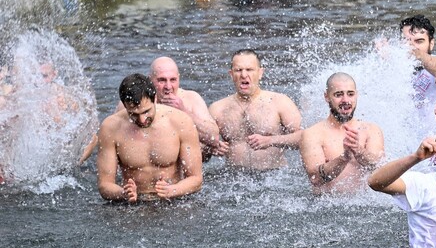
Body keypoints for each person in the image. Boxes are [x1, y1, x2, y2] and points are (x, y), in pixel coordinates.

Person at [96, 74, 203, 202]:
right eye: (134, 114)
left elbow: (196, 179)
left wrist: (172, 190)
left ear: (155, 99)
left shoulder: (181, 122)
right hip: (134, 204)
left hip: (174, 202)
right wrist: (123, 193)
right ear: (125, 105)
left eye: (146, 111)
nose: (142, 120)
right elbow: (105, 185)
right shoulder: (111, 128)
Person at [209, 49, 302, 170]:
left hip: (274, 177)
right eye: (238, 70)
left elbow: (303, 138)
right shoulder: (217, 108)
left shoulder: (280, 102)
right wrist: (211, 148)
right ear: (231, 74)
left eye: (249, 69)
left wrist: (271, 140)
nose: (243, 75)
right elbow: (196, 146)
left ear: (260, 73)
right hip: (234, 179)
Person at [300, 72, 385, 193]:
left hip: (365, 205)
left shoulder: (371, 130)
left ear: (356, 95)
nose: (345, 100)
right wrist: (344, 158)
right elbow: (315, 179)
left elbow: (380, 169)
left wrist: (359, 151)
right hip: (327, 207)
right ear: (326, 96)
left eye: (350, 94)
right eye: (338, 95)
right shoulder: (312, 134)